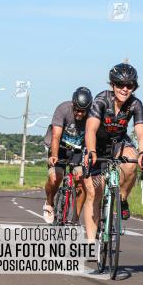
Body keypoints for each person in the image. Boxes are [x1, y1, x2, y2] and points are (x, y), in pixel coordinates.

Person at [82, 63, 143, 238]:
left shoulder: (135, 104)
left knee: (132, 160)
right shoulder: (101, 100)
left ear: (134, 87)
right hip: (97, 145)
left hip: (119, 143)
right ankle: (90, 241)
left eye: (129, 86)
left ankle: (123, 199)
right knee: (93, 192)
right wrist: (91, 151)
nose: (125, 89)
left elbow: (141, 133)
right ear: (112, 85)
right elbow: (90, 130)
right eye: (120, 85)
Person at [44, 87, 93, 226]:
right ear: (73, 104)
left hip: (78, 150)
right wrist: (54, 155)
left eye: (83, 111)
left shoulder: (92, 115)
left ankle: (76, 217)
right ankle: (49, 202)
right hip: (60, 148)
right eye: (77, 109)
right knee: (55, 177)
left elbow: (92, 137)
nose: (79, 113)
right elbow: (56, 136)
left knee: (81, 182)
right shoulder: (63, 109)